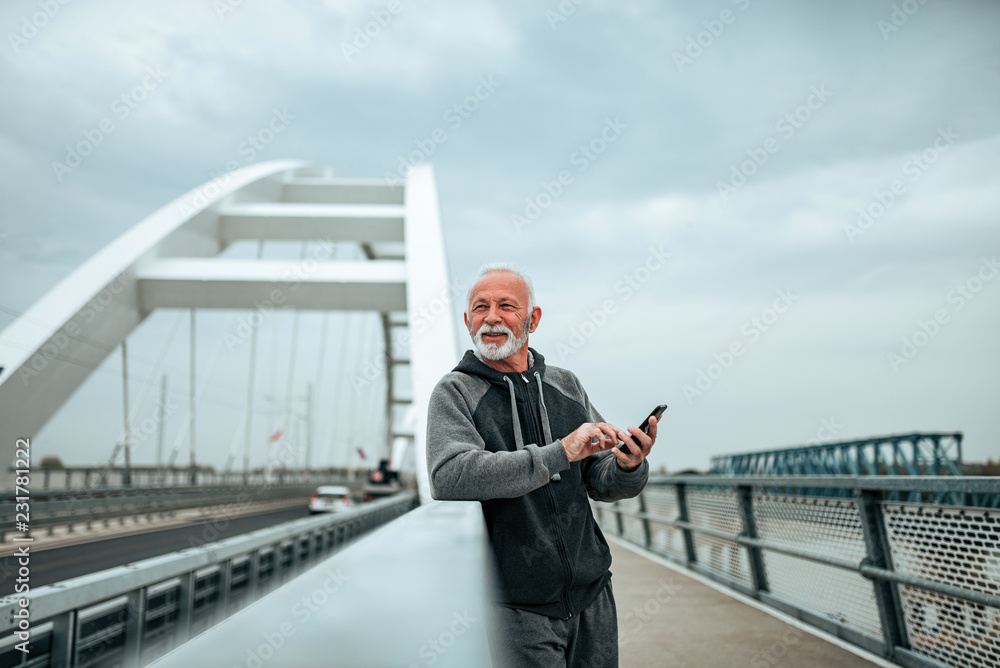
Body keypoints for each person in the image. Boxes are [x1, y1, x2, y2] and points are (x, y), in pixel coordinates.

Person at [426, 263, 657, 668]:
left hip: (593, 594)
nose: (491, 317)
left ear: (532, 319)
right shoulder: (455, 391)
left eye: (506, 306)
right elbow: (449, 475)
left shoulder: (565, 385)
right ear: (467, 321)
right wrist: (559, 452)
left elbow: (601, 481)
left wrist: (628, 466)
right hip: (517, 608)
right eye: (480, 307)